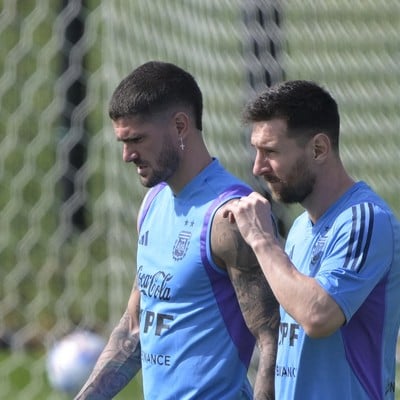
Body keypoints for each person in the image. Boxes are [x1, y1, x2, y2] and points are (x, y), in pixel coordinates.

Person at [75, 61, 280, 400]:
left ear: (181, 126)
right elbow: (134, 328)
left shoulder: (229, 217)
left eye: (137, 139)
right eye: (123, 141)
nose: (127, 155)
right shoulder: (153, 203)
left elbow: (273, 339)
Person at [224, 80, 400, 399]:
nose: (257, 167)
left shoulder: (366, 220)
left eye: (270, 151)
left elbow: (318, 316)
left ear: (318, 149)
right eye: (256, 151)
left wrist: (262, 240)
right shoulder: (301, 228)